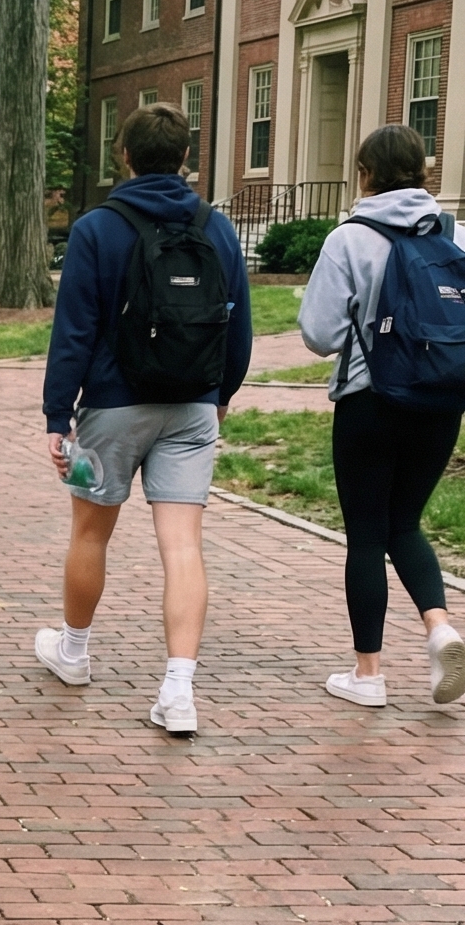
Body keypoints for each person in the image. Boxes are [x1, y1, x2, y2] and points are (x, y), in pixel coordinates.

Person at [35, 102, 251, 735]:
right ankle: (178, 690)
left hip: (112, 402)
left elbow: (73, 330)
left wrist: (57, 413)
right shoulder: (218, 228)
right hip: (192, 406)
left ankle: (73, 652)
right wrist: (219, 395)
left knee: (90, 534)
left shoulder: (97, 227)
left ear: (122, 156)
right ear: (186, 158)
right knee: (183, 545)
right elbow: (237, 328)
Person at [297, 120, 465, 709]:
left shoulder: (349, 238)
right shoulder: (456, 236)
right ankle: (441, 627)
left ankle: (367, 675)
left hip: (370, 400)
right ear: (424, 173)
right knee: (406, 523)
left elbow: (319, 333)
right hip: (442, 399)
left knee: (367, 535)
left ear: (364, 174)